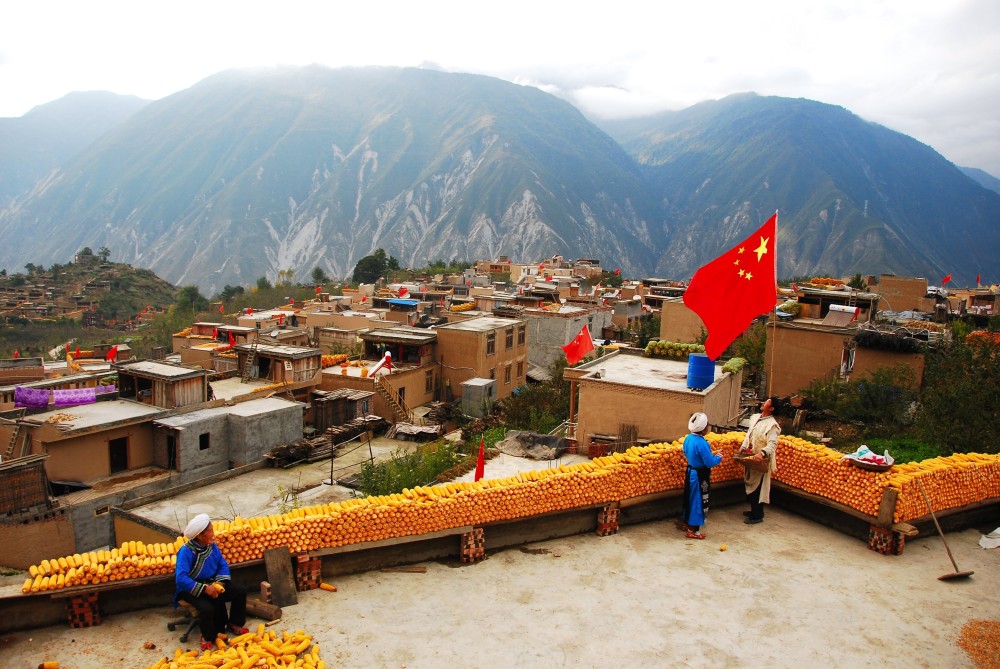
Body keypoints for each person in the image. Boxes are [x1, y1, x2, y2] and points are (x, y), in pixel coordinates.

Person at [174, 513, 248, 650]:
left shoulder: (211, 546)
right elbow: (181, 578)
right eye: (210, 531)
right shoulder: (186, 552)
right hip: (191, 588)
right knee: (207, 608)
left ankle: (235, 623)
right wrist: (204, 589)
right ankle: (207, 636)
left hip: (213, 583)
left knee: (240, 591)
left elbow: (222, 564)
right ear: (200, 536)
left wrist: (219, 583)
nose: (213, 534)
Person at [739, 396, 782, 525]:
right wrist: (743, 447)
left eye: (767, 402)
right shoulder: (756, 418)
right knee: (751, 485)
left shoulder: (772, 426)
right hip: (751, 457)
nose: (763, 403)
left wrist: (762, 453)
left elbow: (772, 445)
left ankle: (758, 515)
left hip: (761, 461)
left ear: (772, 408)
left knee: (758, 488)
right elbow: (749, 434)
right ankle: (753, 510)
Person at [681, 412, 722, 539]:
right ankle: (694, 531)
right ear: (703, 428)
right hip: (700, 475)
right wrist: (719, 458)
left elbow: (687, 452)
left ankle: (687, 523)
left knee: (689, 498)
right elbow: (709, 462)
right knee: (698, 501)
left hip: (690, 472)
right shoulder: (702, 443)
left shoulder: (688, 438)